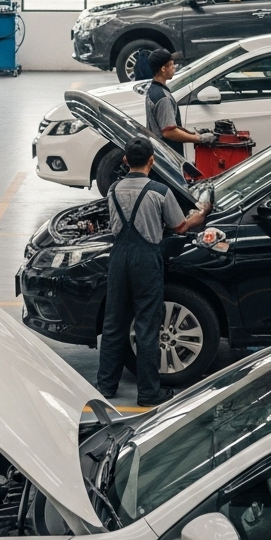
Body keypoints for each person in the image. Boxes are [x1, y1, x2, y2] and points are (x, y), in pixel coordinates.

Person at [96, 138, 211, 406]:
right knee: (147, 326)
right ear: (152, 160)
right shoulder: (160, 191)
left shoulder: (112, 190)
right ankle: (148, 393)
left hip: (119, 258)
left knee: (113, 324)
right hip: (146, 259)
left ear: (125, 160)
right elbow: (180, 227)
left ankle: (105, 387)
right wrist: (202, 214)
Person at [144, 48, 216, 157]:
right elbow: (169, 132)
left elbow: (171, 126)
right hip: (167, 156)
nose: (174, 67)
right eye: (172, 65)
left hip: (158, 152)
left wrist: (192, 133)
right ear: (163, 69)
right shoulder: (163, 98)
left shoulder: (153, 89)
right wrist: (198, 139)